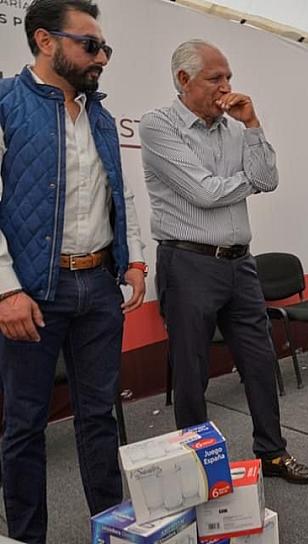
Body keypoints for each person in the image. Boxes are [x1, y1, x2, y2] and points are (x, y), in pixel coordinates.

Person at [139, 39, 308, 484]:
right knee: (192, 372)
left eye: (229, 77)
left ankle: (273, 453)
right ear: (184, 80)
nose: (226, 87)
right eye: (215, 78)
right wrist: (248, 180)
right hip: (188, 263)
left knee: (260, 360)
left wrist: (253, 125)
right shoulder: (158, 125)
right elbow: (204, 192)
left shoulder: (236, 128)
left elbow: (268, 178)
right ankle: (198, 468)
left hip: (240, 263)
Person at [0, 1, 146, 541]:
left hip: (99, 287)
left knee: (100, 416)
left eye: (105, 47)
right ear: (45, 41)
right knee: (24, 425)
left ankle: (111, 530)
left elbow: (118, 192)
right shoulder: (6, 103)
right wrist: (6, 291)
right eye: (90, 45)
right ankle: (26, 537)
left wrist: (134, 258)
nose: (101, 56)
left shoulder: (99, 115)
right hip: (34, 292)